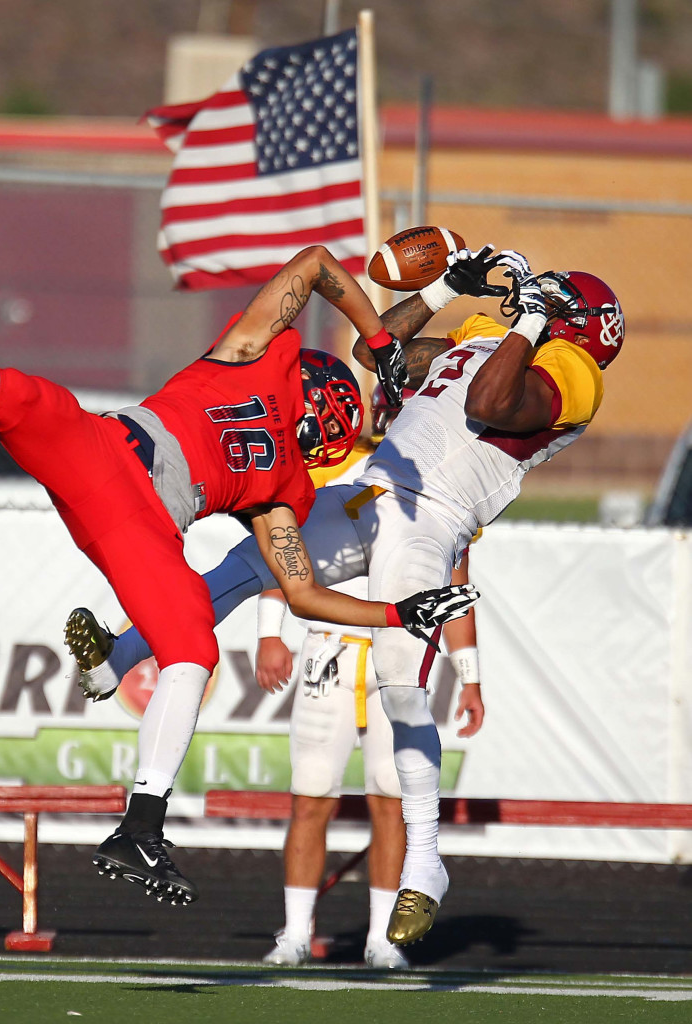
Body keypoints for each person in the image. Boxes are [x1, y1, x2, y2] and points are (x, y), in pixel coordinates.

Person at [0, 246, 477, 908]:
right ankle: (141, 820)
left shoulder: (255, 372)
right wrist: (396, 614)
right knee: (188, 647)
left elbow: (316, 263)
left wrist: (378, 343)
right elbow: (303, 595)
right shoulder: (281, 475)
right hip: (131, 518)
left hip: (103, 468)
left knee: (13, 394)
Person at [67, 244, 624, 940]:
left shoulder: (572, 374)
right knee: (251, 562)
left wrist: (532, 326)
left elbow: (488, 401)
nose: (527, 300)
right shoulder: (495, 336)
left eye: (550, 301)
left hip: (431, 521)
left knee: (398, 675)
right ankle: (119, 656)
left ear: (575, 326)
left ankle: (425, 863)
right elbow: (378, 354)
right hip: (372, 491)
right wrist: (444, 289)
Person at [257, 389, 484, 969]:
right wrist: (268, 632)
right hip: (330, 646)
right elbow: (282, 548)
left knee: (391, 798)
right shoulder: (335, 459)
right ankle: (293, 933)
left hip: (397, 653)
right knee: (311, 795)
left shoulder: (447, 484)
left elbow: (454, 589)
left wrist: (470, 675)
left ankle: (384, 938)